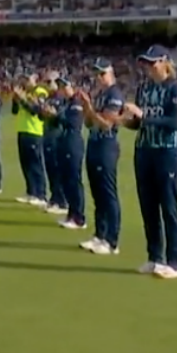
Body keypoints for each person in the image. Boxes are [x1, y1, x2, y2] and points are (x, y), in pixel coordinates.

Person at [122, 45, 177, 278]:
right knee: (148, 207)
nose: (147, 67)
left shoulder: (176, 89)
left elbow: (173, 122)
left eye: (152, 62)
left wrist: (143, 115)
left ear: (164, 62)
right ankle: (154, 257)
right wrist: (126, 121)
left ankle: (175, 262)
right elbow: (139, 123)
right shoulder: (144, 88)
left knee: (169, 207)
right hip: (144, 151)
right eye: (145, 63)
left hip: (167, 153)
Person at [77, 58, 124, 254]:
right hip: (94, 144)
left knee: (107, 193)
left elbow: (106, 124)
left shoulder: (114, 94)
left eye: (102, 73)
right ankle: (100, 235)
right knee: (97, 193)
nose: (98, 77)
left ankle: (111, 241)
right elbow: (89, 123)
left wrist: (89, 107)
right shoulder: (100, 94)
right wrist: (87, 109)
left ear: (110, 73)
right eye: (96, 73)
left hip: (106, 146)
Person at [48, 77, 87, 230]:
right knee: (65, 180)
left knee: (74, 181)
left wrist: (56, 115)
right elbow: (56, 122)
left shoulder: (76, 104)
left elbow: (73, 123)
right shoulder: (66, 104)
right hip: (63, 143)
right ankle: (71, 214)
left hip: (73, 144)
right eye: (60, 86)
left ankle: (79, 217)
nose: (62, 89)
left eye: (65, 86)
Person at [11, 75, 48, 207]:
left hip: (34, 132)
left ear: (35, 79)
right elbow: (14, 111)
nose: (25, 81)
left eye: (28, 79)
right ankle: (31, 191)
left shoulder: (40, 92)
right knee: (25, 163)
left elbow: (35, 110)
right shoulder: (25, 92)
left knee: (35, 164)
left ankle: (41, 194)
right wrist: (15, 99)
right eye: (24, 79)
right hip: (22, 130)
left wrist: (22, 99)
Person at [39, 72, 68, 216]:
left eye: (51, 81)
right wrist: (42, 110)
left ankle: (62, 201)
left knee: (58, 170)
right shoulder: (48, 98)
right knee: (50, 168)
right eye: (46, 81)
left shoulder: (62, 99)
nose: (48, 84)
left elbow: (63, 119)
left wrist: (53, 114)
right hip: (47, 136)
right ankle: (54, 198)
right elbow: (40, 115)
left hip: (57, 137)